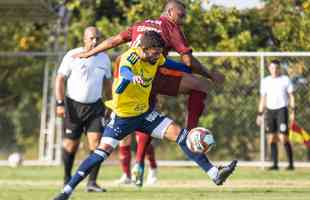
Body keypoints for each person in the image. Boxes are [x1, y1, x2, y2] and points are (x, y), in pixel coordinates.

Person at [53, 31, 237, 200]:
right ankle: (66, 191)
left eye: (160, 53)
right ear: (143, 49)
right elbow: (125, 73)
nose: (158, 56)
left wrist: (203, 72)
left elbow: (176, 65)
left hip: (144, 114)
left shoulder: (155, 58)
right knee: (100, 154)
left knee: (182, 136)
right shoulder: (129, 59)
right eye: (155, 53)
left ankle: (215, 174)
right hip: (123, 118)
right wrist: (130, 78)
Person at [74, 0, 224, 186]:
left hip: (124, 72)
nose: (183, 20)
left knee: (140, 119)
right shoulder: (171, 27)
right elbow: (188, 61)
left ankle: (135, 168)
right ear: (170, 12)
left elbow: (114, 40)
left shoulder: (141, 24)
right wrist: (210, 75)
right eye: (181, 15)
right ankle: (191, 136)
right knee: (200, 86)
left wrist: (90, 53)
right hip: (148, 72)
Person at [55, 26, 112, 192]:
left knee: (97, 144)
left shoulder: (104, 58)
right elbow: (59, 80)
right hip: (73, 106)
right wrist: (59, 103)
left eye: (98, 38)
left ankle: (92, 183)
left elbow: (108, 84)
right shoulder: (72, 55)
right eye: (92, 38)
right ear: (84, 39)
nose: (95, 41)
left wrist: (110, 104)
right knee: (70, 145)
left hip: (95, 107)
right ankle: (67, 179)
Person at [256, 60, 295, 170]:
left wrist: (292, 111)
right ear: (269, 68)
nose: (274, 70)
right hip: (270, 111)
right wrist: (259, 114)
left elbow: (291, 96)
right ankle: (275, 164)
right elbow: (263, 98)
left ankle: (291, 164)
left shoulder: (285, 80)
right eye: (272, 68)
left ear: (280, 68)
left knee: (283, 138)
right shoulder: (265, 81)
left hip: (282, 110)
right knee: (271, 138)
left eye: (277, 68)